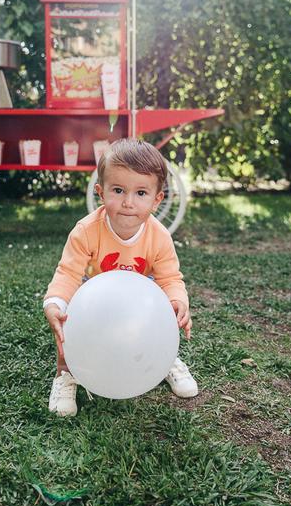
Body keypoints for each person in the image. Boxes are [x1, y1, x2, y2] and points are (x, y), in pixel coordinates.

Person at [43, 138, 197, 417]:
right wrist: (56, 303)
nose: (128, 202)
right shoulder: (86, 231)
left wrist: (177, 300)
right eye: (118, 190)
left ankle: (166, 359)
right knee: (70, 323)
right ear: (101, 192)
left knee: (162, 305)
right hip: (94, 300)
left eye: (140, 193)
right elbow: (68, 273)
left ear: (157, 198)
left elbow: (170, 278)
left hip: (142, 299)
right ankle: (65, 374)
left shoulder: (159, 236)